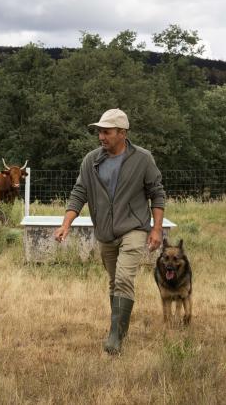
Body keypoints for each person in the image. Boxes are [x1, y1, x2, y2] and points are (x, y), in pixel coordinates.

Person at [53, 108, 165, 355]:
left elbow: (156, 192)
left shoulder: (143, 159)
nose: (101, 137)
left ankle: (114, 337)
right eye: (99, 132)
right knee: (115, 282)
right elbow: (78, 193)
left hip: (134, 227)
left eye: (106, 132)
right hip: (105, 231)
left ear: (122, 133)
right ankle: (119, 328)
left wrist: (156, 229)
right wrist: (66, 224)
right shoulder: (91, 161)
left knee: (125, 278)